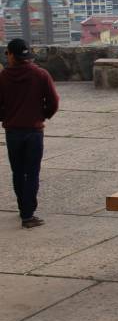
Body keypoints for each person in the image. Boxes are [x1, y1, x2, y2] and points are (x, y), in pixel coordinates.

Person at [0, 39, 59, 228]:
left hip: (13, 131)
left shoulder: (3, 77)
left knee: (18, 172)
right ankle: (28, 213)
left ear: (10, 54)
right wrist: (42, 115)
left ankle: (23, 209)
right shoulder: (40, 75)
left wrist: (5, 117)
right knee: (32, 172)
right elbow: (53, 101)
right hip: (34, 131)